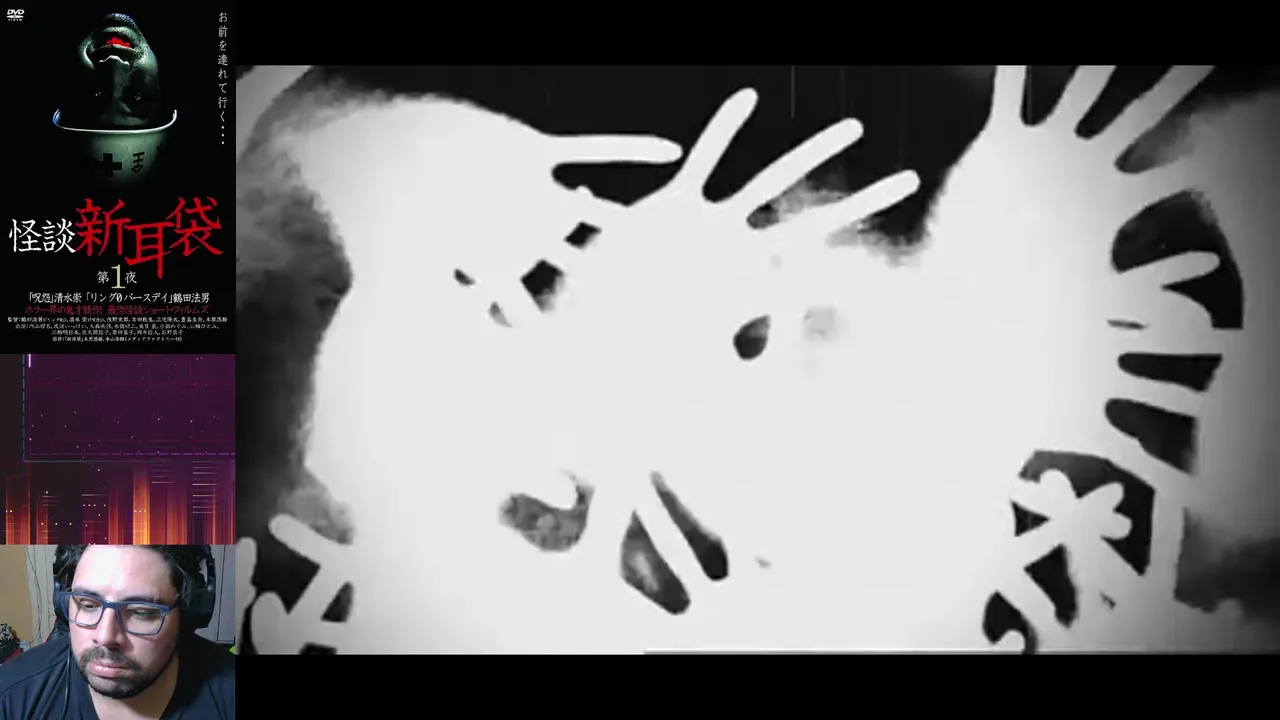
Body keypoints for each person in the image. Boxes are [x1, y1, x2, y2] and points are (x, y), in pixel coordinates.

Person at [0, 545, 235, 719]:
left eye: (141, 612)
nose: (105, 637)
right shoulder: (10, 695)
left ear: (188, 613)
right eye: (87, 605)